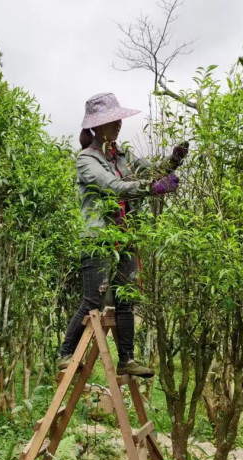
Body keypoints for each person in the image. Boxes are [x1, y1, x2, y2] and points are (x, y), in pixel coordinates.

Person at [57, 92, 187, 378]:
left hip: (125, 237)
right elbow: (112, 186)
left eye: (118, 120)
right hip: (99, 240)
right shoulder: (86, 160)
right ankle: (65, 353)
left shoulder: (124, 155)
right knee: (93, 300)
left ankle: (126, 358)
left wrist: (172, 162)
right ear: (97, 127)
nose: (118, 125)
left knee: (126, 298)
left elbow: (153, 172)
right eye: (112, 121)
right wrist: (151, 188)